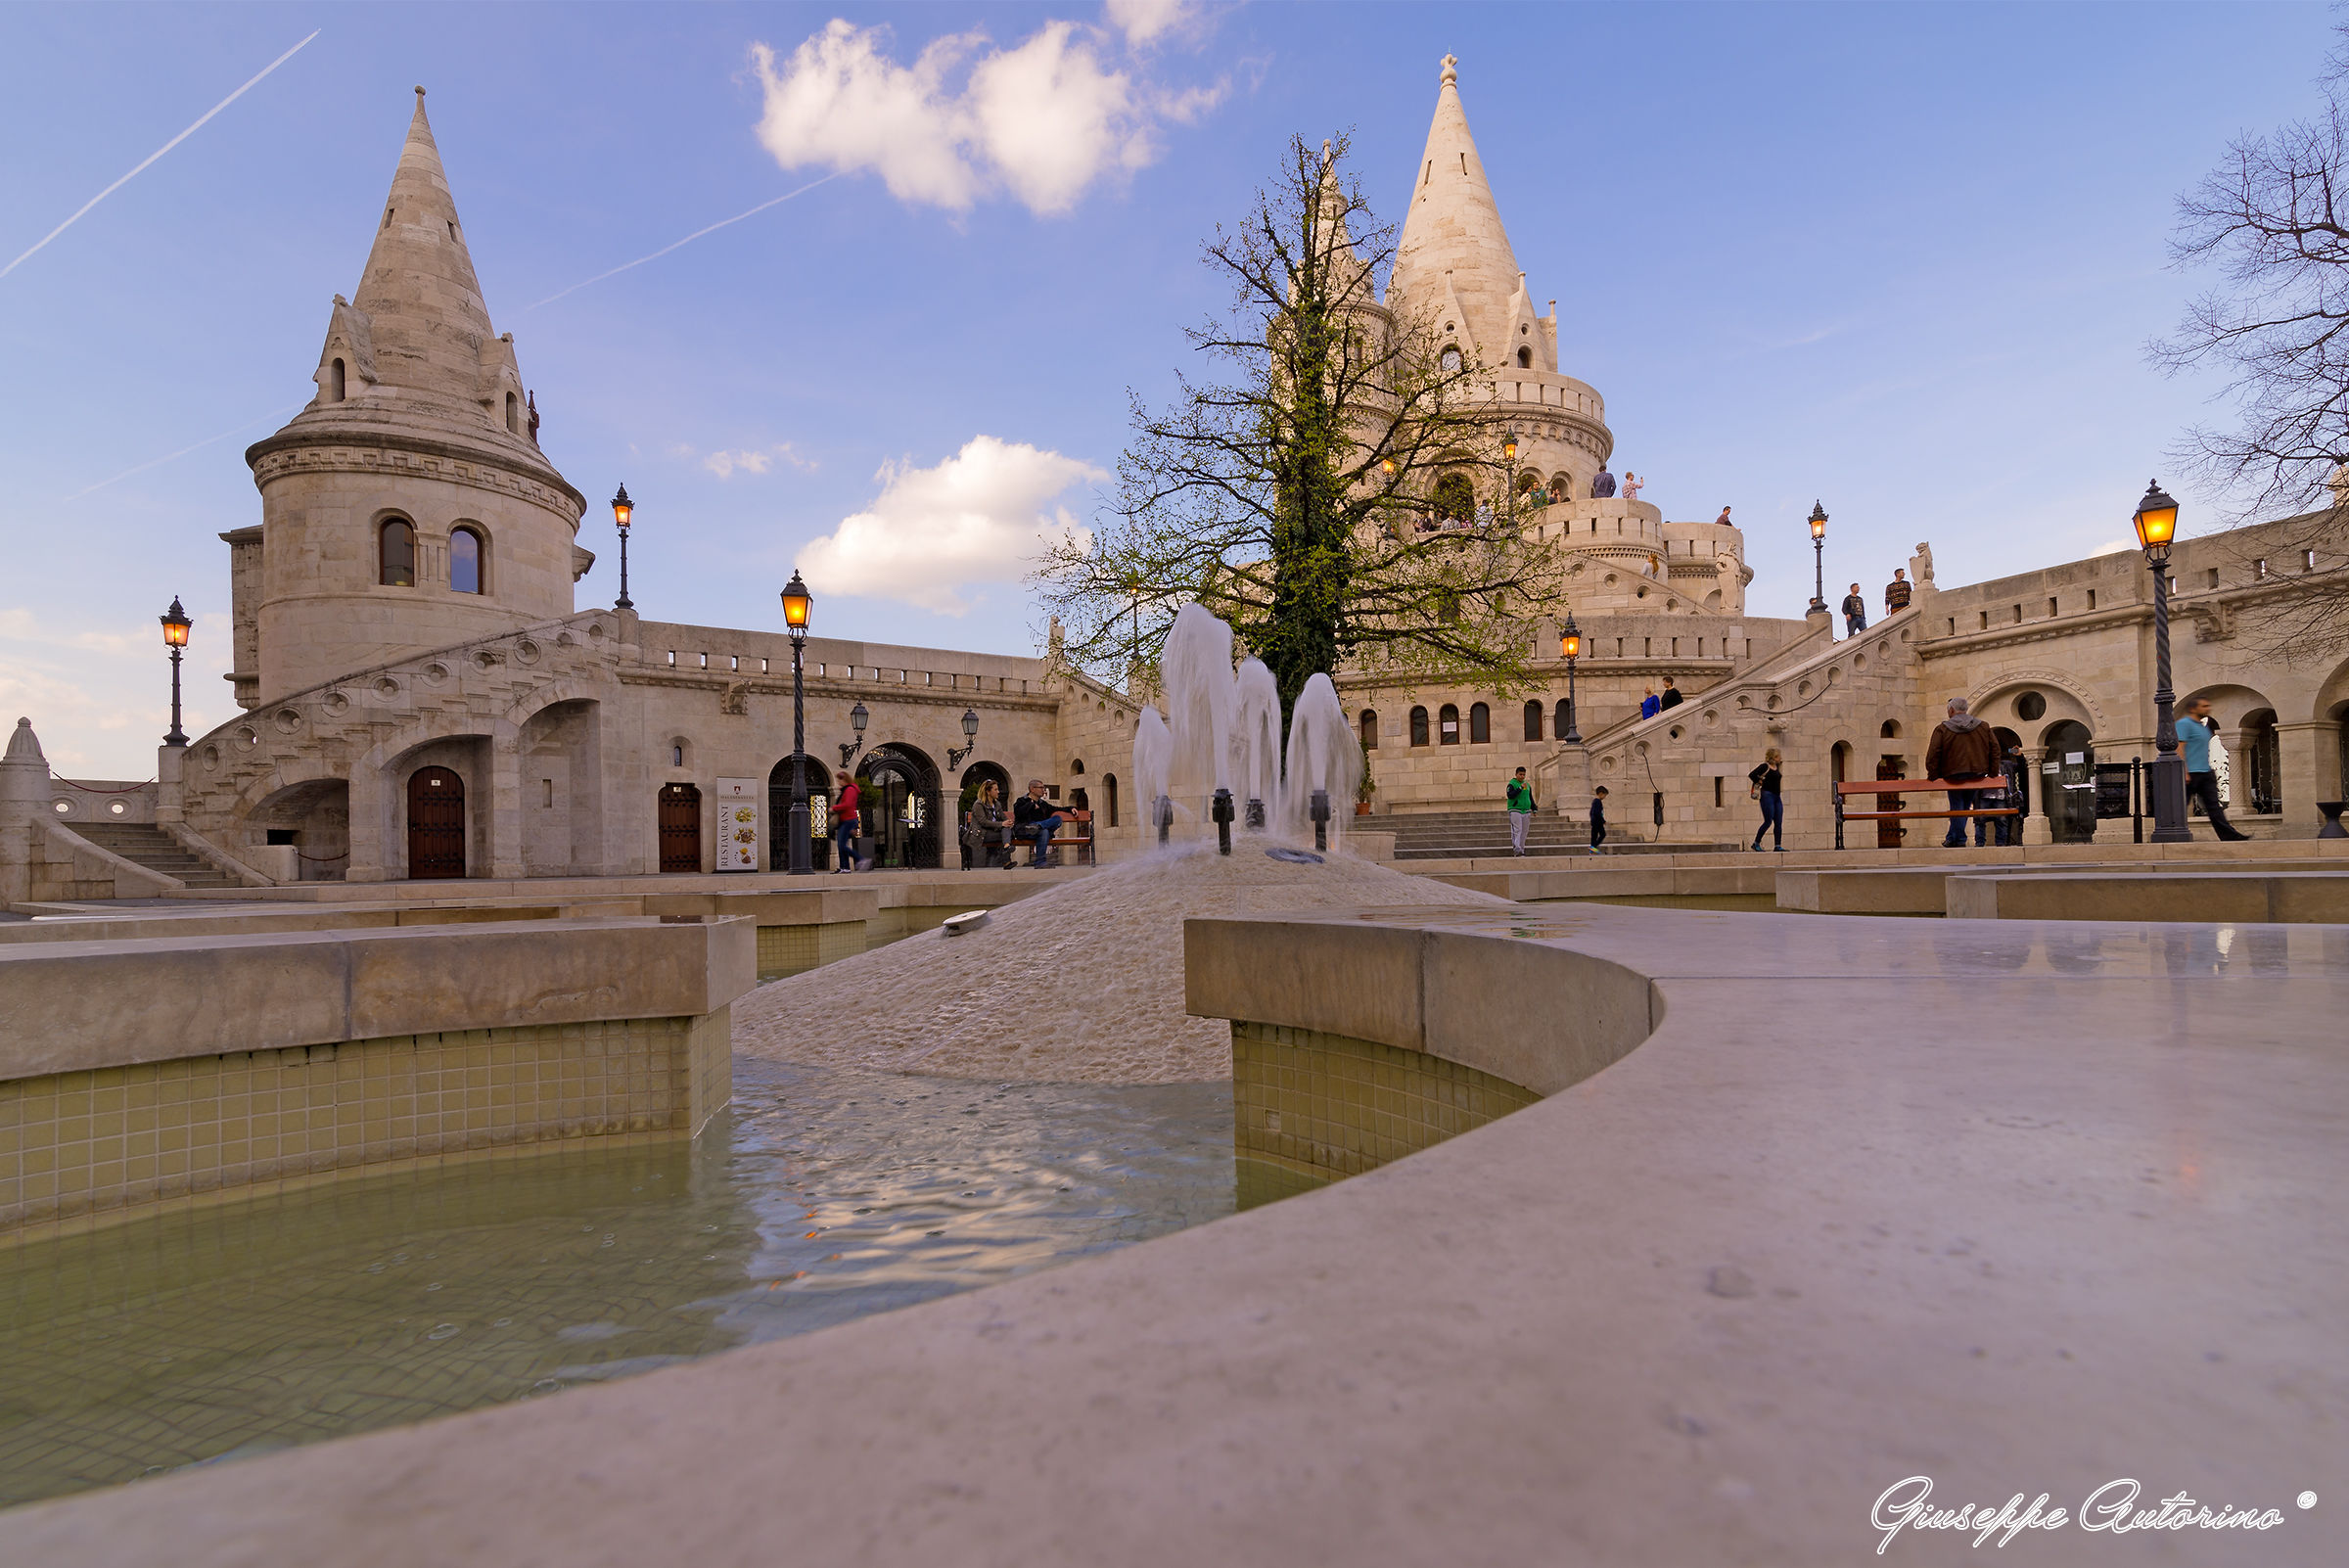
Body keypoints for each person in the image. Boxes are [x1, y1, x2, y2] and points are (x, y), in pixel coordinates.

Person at [1923, 698, 2002, 848]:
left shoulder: (1943, 728)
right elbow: (1995, 749)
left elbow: (1934, 752)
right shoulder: (1983, 726)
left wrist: (1933, 774)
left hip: (1953, 773)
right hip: (1976, 773)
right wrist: (1992, 772)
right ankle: (1954, 837)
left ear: (1951, 710)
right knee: (1964, 805)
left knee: (1957, 805)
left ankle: (1958, 839)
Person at [2179, 697, 2251, 841]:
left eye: (2208, 706)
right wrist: (2184, 771)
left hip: (2206, 772)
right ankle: (2172, 834)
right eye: (2204, 706)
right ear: (2193, 709)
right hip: (2190, 774)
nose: (2207, 708)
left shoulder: (2202, 727)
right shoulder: (2184, 724)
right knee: (2180, 807)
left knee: (2214, 808)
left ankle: (2231, 837)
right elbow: (2179, 747)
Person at [1011, 778, 1071, 867]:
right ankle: (1040, 862)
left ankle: (1038, 826)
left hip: (1038, 831)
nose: (1044, 790)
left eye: (1044, 787)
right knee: (1044, 831)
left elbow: (1057, 809)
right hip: (1025, 831)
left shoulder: (1042, 803)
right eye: (1041, 787)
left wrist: (1071, 808)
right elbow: (1018, 813)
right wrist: (1031, 805)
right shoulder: (1021, 801)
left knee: (1057, 819)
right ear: (1032, 789)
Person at [961, 778, 1005, 869]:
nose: (998, 792)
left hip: (993, 832)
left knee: (1006, 832)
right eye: (995, 789)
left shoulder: (997, 804)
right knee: (1004, 834)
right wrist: (1002, 824)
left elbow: (1003, 817)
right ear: (988, 792)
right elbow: (983, 822)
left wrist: (1008, 822)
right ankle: (1006, 855)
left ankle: (1003, 856)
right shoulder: (979, 804)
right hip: (981, 833)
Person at [1748, 749, 1783, 851]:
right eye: (1778, 756)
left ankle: (1777, 845)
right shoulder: (1765, 766)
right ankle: (1756, 843)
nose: (1780, 758)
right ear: (1773, 757)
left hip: (1777, 796)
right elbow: (1752, 775)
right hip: (1767, 795)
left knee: (1778, 821)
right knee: (1768, 821)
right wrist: (1759, 781)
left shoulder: (1776, 767)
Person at [831, 771, 861, 873]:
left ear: (844, 780)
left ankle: (861, 859)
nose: (838, 782)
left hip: (848, 820)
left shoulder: (850, 789)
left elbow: (847, 805)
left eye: (839, 780)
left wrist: (834, 808)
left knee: (842, 845)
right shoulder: (846, 790)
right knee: (841, 844)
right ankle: (845, 867)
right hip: (845, 820)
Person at [1505, 766, 1536, 855]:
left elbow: (1529, 797)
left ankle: (1522, 849)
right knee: (1517, 830)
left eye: (1524, 775)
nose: (1522, 776)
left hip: (1526, 810)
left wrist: (1534, 808)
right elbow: (1510, 795)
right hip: (1515, 810)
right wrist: (1519, 788)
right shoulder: (1512, 784)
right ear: (1516, 774)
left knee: (1524, 831)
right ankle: (1517, 849)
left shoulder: (1527, 785)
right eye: (1520, 774)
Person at [1589, 784, 1609, 854]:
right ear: (1601, 794)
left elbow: (1591, 812)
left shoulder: (1594, 801)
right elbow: (1597, 813)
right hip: (1598, 822)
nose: (1604, 797)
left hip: (1594, 821)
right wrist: (1603, 821)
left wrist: (1592, 820)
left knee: (1594, 836)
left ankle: (1592, 849)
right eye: (1604, 795)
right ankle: (1593, 847)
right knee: (1602, 834)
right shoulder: (1598, 801)